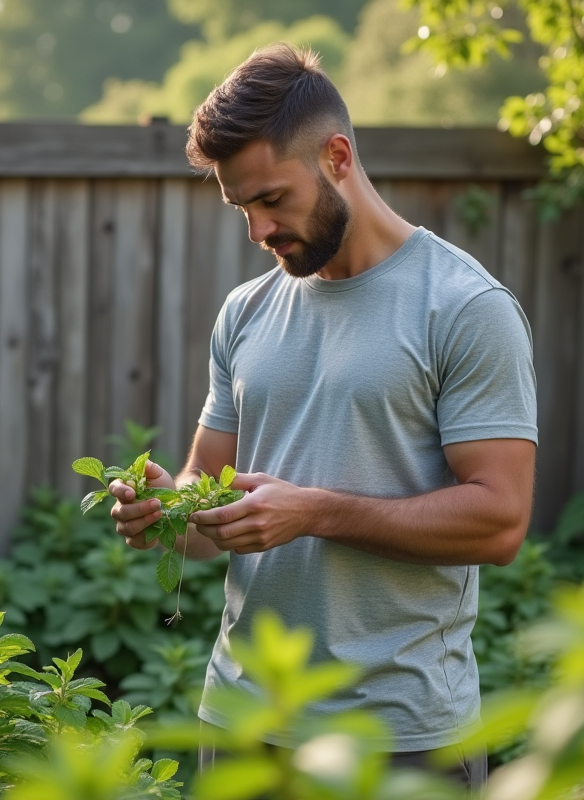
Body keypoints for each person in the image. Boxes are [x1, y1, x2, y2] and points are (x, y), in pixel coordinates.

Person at [108, 43, 537, 792]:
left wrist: (315, 512)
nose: (259, 231)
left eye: (273, 199)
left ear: (337, 156)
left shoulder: (464, 308)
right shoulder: (245, 313)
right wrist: (167, 511)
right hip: (243, 724)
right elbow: (207, 500)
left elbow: (499, 523)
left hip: (399, 737)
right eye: (242, 208)